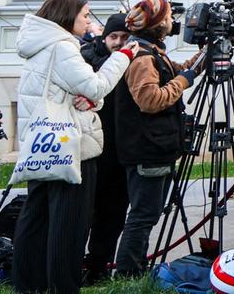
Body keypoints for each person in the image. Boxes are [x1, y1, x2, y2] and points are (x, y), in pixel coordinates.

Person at [13, 0, 134, 294]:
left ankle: (28, 285)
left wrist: (91, 97)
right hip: (70, 149)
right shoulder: (63, 47)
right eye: (85, 15)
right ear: (68, 18)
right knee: (69, 226)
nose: (89, 22)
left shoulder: (39, 46)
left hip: (42, 145)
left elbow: (76, 91)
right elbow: (95, 85)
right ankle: (63, 287)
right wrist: (124, 56)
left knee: (36, 219)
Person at [112, 0, 202, 276]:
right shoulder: (142, 57)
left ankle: (134, 268)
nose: (173, 21)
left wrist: (203, 56)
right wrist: (183, 81)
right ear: (158, 23)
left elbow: (177, 70)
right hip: (147, 148)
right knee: (143, 214)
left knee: (147, 213)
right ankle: (129, 273)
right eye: (169, 17)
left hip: (154, 146)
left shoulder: (152, 53)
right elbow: (150, 100)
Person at [81, 14, 132, 282]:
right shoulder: (87, 59)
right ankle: (75, 262)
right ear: (104, 38)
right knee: (84, 212)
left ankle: (99, 265)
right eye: (114, 37)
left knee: (112, 216)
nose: (119, 42)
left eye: (125, 38)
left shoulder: (133, 61)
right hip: (90, 151)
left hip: (119, 151)